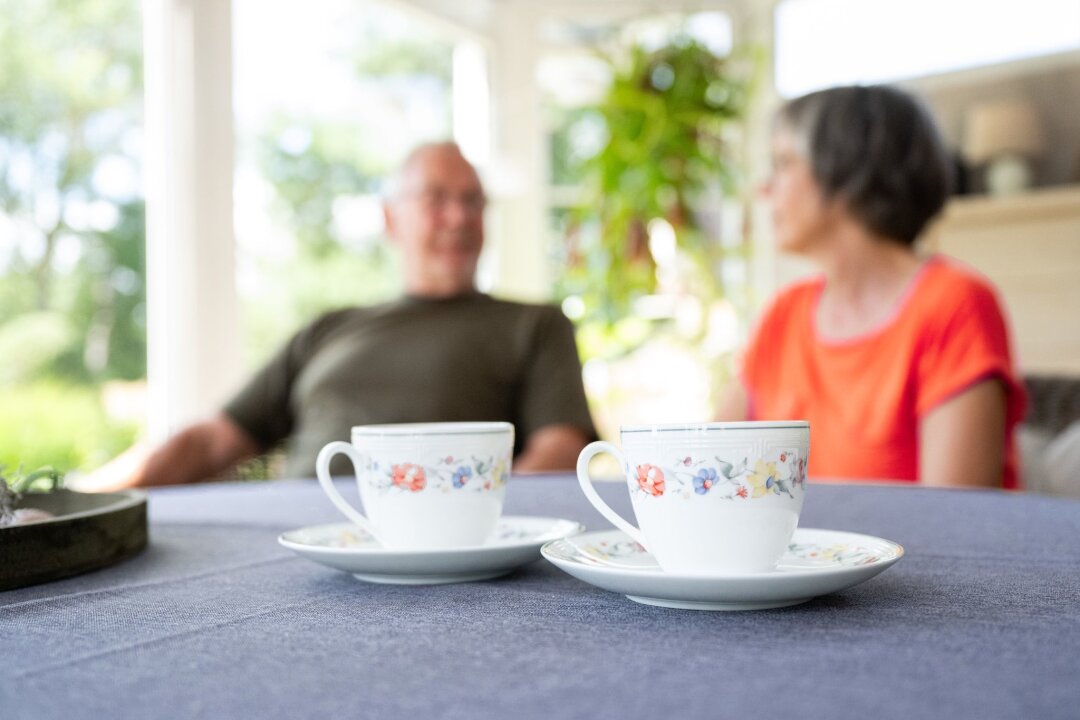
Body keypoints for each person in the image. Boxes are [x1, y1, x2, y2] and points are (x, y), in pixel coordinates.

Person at [83, 142, 596, 490]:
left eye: (472, 201)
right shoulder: (328, 329)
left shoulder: (534, 324)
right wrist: (84, 498)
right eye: (437, 199)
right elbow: (214, 440)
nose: (459, 217)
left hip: (439, 549)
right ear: (391, 218)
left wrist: (465, 523)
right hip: (293, 540)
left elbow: (559, 449)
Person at [715, 85, 1026, 489]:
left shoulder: (955, 304)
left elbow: (955, 523)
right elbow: (712, 467)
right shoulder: (784, 313)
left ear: (845, 172)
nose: (763, 189)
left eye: (783, 163)